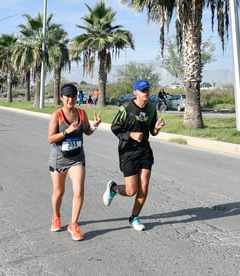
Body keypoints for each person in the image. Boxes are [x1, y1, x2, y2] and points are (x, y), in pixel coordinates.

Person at [103, 79, 165, 231]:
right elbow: (115, 127)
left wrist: (157, 128)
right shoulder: (127, 108)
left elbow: (152, 132)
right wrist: (130, 134)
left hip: (144, 151)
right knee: (131, 191)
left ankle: (134, 217)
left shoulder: (151, 108)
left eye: (148, 90)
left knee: (144, 187)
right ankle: (113, 189)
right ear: (135, 92)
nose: (146, 93)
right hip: (128, 151)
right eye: (143, 91)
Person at [48, 83, 101, 241]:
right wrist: (66, 131)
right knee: (59, 192)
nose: (71, 99)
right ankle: (56, 217)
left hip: (77, 158)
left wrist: (94, 126)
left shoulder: (81, 113)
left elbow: (87, 132)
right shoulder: (57, 115)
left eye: (73, 96)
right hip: (59, 158)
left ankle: (73, 224)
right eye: (68, 96)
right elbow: (50, 138)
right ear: (62, 98)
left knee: (78, 191)